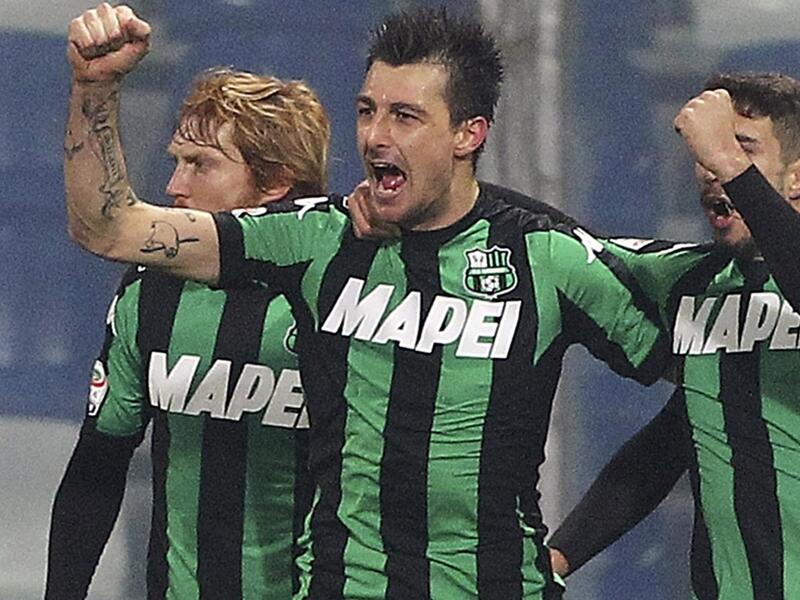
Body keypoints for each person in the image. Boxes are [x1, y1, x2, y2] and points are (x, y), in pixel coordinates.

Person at [62, 4, 676, 598]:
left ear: (469, 133)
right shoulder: (319, 239)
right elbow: (109, 228)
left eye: (405, 116)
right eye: (366, 111)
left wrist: (568, 550)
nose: (376, 136)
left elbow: (704, 383)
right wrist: (95, 88)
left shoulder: (547, 258)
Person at [46, 63, 330, 599]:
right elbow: (98, 465)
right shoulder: (151, 290)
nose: (174, 186)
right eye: (177, 161)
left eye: (201, 164)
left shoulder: (343, 293)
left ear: (275, 181)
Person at [548, 73, 800, 599]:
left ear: (796, 177)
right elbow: (673, 442)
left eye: (742, 145)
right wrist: (559, 555)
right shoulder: (693, 282)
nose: (710, 166)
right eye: (705, 149)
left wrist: (730, 163)